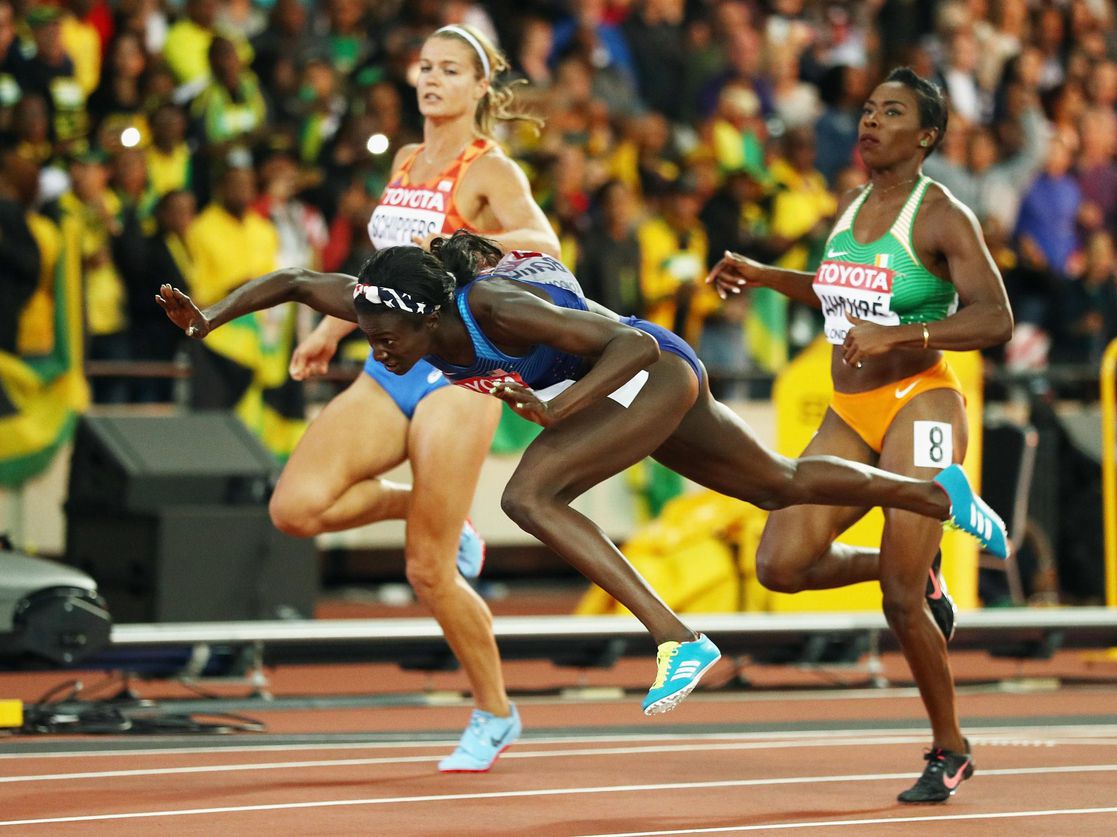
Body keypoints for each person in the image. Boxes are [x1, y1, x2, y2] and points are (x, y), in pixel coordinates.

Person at [156, 228, 1008, 728]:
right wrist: (210, 315)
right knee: (778, 485)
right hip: (625, 382)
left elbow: (634, 341)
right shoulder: (390, 298)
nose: (377, 346)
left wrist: (562, 412)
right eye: (366, 329)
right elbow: (300, 281)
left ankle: (678, 637)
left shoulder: (494, 309)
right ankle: (938, 496)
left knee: (529, 493)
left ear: (430, 315)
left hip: (648, 369)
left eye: (387, 336)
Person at [706, 67, 1014, 803]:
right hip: (851, 413)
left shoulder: (941, 215)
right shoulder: (853, 205)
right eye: (870, 109)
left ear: (927, 135)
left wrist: (903, 332)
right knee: (780, 563)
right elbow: (836, 288)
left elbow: (995, 318)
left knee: (901, 603)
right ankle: (920, 569)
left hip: (922, 404)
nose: (871, 121)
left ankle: (951, 746)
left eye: (892, 112)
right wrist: (763, 274)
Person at [264, 24, 559, 774]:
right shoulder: (404, 158)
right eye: (424, 66)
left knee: (428, 571)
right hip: (389, 360)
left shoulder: (487, 167)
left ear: (477, 89)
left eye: (449, 70)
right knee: (294, 507)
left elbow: (546, 243)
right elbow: (383, 264)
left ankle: (495, 710)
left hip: (458, 370)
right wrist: (332, 326)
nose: (430, 78)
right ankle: (419, 501)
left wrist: (468, 248)